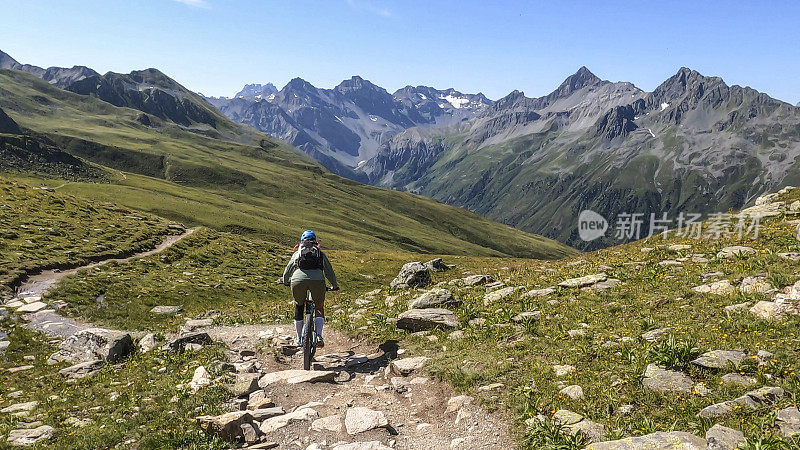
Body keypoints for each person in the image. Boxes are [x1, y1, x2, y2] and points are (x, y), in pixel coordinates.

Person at [280, 230, 339, 348]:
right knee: (319, 306)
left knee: (299, 306)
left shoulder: (297, 253)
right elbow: (329, 272)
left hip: (298, 280)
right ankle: (318, 336)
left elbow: (288, 270)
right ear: (315, 241)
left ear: (302, 241)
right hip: (318, 281)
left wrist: (285, 281)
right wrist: (334, 285)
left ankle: (298, 338)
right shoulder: (320, 254)